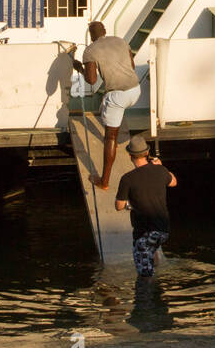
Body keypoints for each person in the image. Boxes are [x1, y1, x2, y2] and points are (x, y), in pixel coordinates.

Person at [73, 21, 140, 190]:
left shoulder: (90, 51)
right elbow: (132, 66)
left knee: (109, 137)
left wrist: (79, 68)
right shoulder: (120, 41)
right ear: (105, 31)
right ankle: (114, 131)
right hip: (135, 90)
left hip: (118, 96)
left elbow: (91, 80)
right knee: (107, 107)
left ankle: (104, 181)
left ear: (91, 35)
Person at [114, 135, 176, 277]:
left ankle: (148, 294)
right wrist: (161, 167)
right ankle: (157, 290)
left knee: (145, 276)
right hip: (163, 230)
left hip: (144, 236)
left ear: (130, 155)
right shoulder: (160, 170)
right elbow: (173, 182)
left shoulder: (127, 179)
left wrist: (128, 203)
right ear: (147, 153)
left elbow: (118, 206)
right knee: (152, 252)